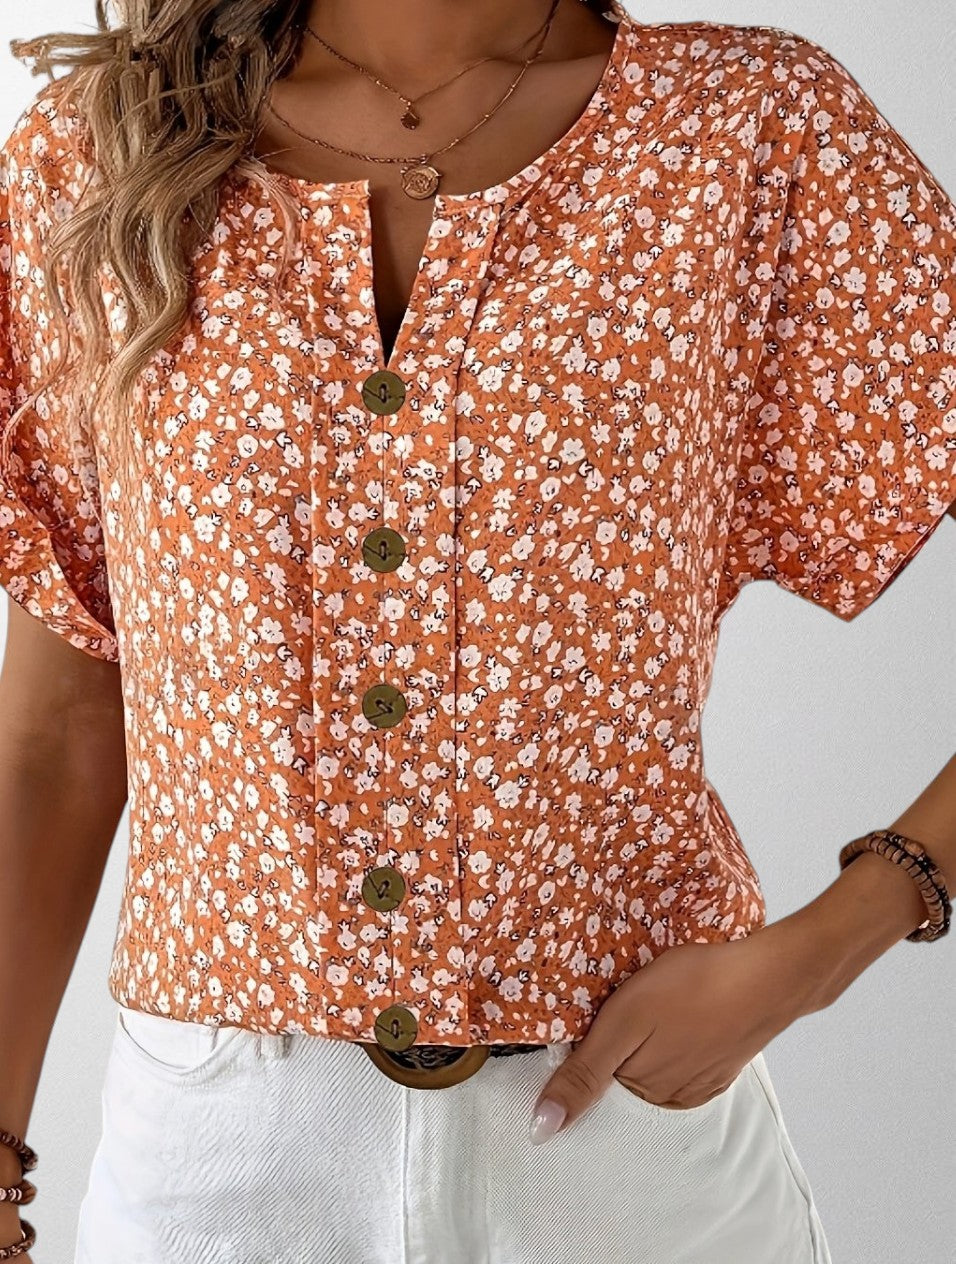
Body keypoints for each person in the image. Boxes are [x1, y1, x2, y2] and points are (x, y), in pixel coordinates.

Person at [0, 1, 953, 1260]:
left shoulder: (746, 128)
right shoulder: (100, 149)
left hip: (628, 1140)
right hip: (220, 1163)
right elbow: (61, 729)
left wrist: (846, 930)